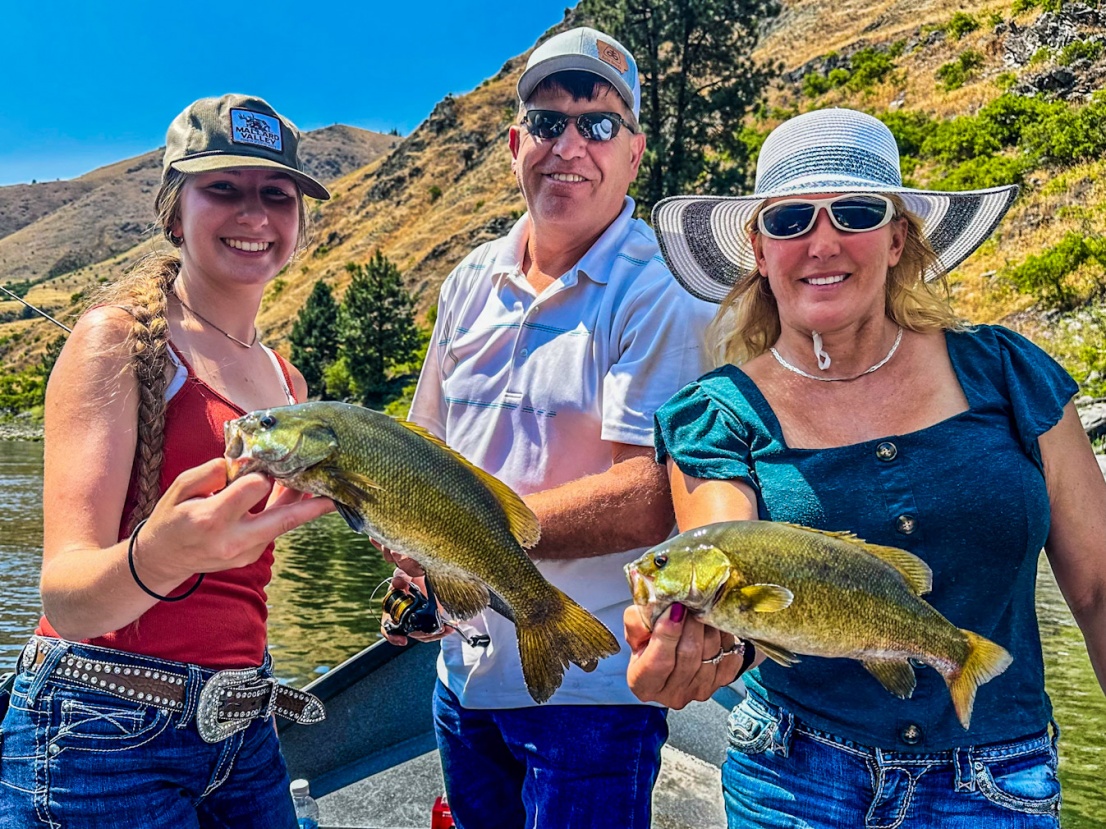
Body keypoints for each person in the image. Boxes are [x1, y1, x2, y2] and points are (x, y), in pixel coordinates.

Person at [626, 107, 1106, 827]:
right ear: (759, 249)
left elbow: (1100, 589)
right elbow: (731, 562)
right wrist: (697, 646)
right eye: (790, 221)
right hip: (794, 779)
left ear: (895, 236)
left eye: (853, 212)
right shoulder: (716, 413)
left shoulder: (1011, 376)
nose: (822, 242)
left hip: (1000, 783)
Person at [384, 25, 716, 829]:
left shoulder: (664, 290)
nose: (570, 143)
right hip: (459, 676)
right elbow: (424, 451)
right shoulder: (467, 280)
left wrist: (460, 534)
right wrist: (414, 559)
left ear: (633, 152)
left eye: (597, 124)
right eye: (548, 121)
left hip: (593, 689)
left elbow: (648, 496)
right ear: (514, 143)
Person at [0, 94, 335, 828]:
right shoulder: (115, 341)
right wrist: (161, 555)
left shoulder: (289, 387)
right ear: (172, 210)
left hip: (244, 733)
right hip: (99, 734)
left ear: (299, 223)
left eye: (277, 195)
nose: (254, 214)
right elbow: (66, 598)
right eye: (223, 188)